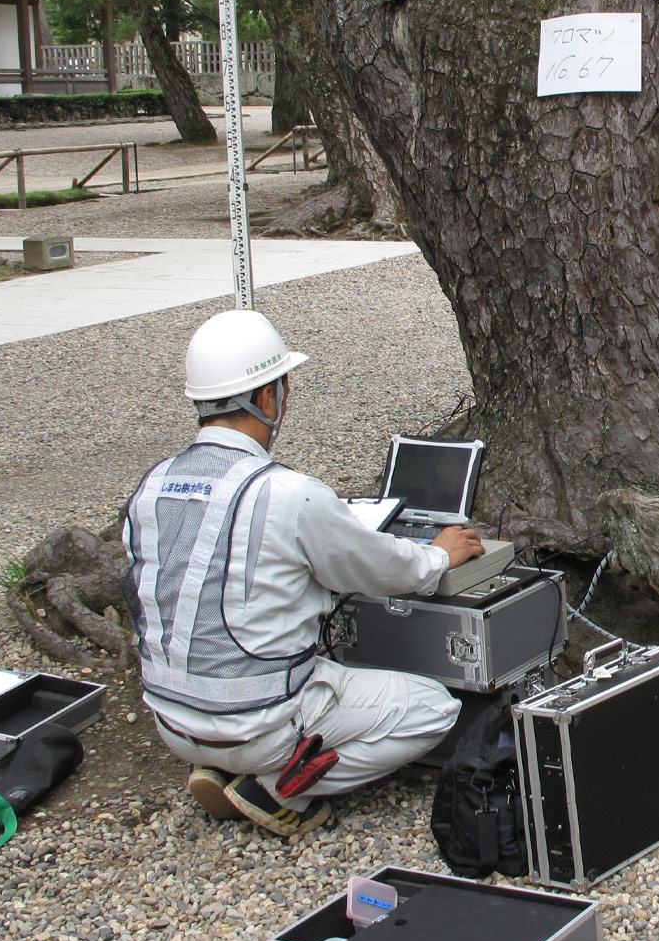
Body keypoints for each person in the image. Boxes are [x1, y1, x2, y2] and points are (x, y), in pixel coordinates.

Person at [127, 310, 485, 837]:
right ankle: (271, 789)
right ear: (268, 398)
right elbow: (383, 568)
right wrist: (439, 554)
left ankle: (221, 761)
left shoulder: (151, 485)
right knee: (433, 708)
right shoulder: (288, 495)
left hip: (172, 720)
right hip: (261, 719)